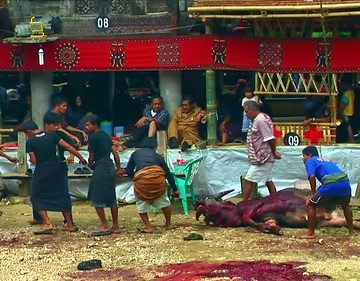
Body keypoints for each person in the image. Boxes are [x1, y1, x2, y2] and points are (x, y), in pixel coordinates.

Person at [19, 120, 87, 234]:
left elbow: (34, 160)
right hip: (57, 168)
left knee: (36, 195)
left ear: (28, 131)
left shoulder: (30, 141)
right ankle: (70, 224)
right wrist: (81, 158)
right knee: (62, 195)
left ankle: (47, 223)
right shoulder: (51, 135)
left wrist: (32, 159)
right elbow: (69, 147)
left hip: (43, 170)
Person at [28, 112, 79, 227]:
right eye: (55, 125)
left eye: (58, 125)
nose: (57, 128)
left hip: (57, 167)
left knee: (62, 193)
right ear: (47, 125)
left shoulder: (59, 135)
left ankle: (68, 221)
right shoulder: (39, 138)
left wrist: (72, 156)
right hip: (51, 168)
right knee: (46, 193)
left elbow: (72, 146)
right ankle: (39, 218)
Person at [125, 137, 179, 233]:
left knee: (141, 204)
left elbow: (128, 170)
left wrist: (137, 178)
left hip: (142, 181)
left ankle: (148, 226)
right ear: (155, 147)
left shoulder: (135, 154)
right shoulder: (157, 156)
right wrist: (175, 189)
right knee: (165, 202)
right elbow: (167, 173)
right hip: (157, 181)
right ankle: (168, 224)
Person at [300, 145, 355, 239]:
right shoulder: (325, 159)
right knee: (345, 205)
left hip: (331, 183)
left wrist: (313, 193)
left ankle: (310, 233)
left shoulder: (310, 161)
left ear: (309, 155)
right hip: (345, 181)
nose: (303, 159)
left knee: (311, 204)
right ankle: (351, 231)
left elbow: (311, 176)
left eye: (304, 156)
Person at [85, 114, 122, 236]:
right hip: (109, 166)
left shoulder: (93, 137)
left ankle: (104, 224)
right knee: (111, 196)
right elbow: (115, 153)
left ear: (95, 125)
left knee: (96, 196)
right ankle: (115, 225)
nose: (86, 127)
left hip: (100, 166)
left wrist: (89, 164)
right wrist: (118, 168)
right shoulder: (106, 136)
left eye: (88, 124)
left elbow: (91, 157)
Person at [242, 100, 281, 201]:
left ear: (253, 110)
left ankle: (243, 204)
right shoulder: (256, 120)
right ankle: (276, 200)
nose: (245, 114)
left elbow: (270, 138)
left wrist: (273, 152)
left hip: (264, 157)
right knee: (268, 180)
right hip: (261, 156)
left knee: (249, 179)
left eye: (246, 111)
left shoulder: (261, 120)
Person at [340, 78, 355, 143]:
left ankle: (351, 140)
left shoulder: (346, 94)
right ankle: (350, 139)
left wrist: (340, 110)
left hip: (346, 113)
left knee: (348, 127)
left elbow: (345, 103)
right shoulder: (352, 92)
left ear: (346, 85)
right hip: (351, 112)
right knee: (349, 126)